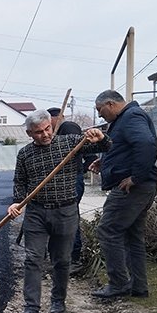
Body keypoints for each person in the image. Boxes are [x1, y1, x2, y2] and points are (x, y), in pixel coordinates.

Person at [8, 109, 109, 313]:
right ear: (29, 134)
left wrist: (101, 137)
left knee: (62, 260)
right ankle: (31, 307)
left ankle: (58, 300)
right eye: (38, 132)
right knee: (33, 259)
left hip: (65, 211)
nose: (45, 134)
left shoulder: (70, 143)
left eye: (47, 129)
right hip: (36, 212)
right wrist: (18, 201)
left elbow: (105, 147)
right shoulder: (25, 154)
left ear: (52, 125)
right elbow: (19, 181)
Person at [89, 90, 157, 299]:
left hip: (133, 188)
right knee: (131, 235)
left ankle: (118, 283)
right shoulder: (125, 119)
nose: (101, 116)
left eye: (100, 111)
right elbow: (127, 147)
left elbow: (147, 144)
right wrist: (105, 161)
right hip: (142, 186)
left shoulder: (131, 116)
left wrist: (135, 178)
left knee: (108, 229)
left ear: (110, 104)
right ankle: (138, 287)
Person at [48, 107, 98, 268]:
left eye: (49, 120)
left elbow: (84, 150)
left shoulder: (68, 127)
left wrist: (79, 170)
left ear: (57, 118)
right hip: (64, 180)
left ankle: (72, 257)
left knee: (68, 217)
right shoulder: (57, 133)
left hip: (71, 181)